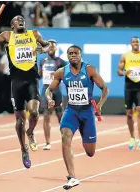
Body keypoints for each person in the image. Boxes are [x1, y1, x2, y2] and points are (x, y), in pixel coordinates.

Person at [0, 15, 50, 169]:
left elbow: (46, 46)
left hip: (31, 80)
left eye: (22, 19)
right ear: (12, 25)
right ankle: (23, 149)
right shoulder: (7, 36)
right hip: (16, 83)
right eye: (17, 20)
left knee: (34, 112)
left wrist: (43, 48)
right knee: (19, 121)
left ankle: (30, 132)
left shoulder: (34, 34)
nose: (20, 20)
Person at [46, 45, 109, 189]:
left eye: (76, 53)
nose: (73, 56)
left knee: (90, 152)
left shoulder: (89, 70)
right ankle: (72, 177)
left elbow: (105, 88)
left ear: (81, 55)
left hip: (87, 113)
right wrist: (49, 98)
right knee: (65, 137)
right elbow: (49, 90)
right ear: (67, 56)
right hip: (71, 111)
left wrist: (99, 105)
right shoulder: (61, 72)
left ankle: (84, 132)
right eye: (70, 54)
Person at [117, 37, 140, 150]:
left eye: (137, 42)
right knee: (129, 113)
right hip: (129, 85)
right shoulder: (125, 56)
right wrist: (124, 72)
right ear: (131, 44)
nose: (135, 44)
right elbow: (118, 71)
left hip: (139, 85)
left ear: (139, 44)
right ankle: (132, 137)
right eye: (133, 42)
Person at [39, 39, 67, 150]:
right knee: (46, 115)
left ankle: (65, 139)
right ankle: (47, 142)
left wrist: (56, 75)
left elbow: (66, 76)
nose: (51, 49)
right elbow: (39, 75)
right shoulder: (43, 61)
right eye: (49, 47)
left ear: (56, 49)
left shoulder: (60, 62)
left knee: (60, 116)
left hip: (56, 90)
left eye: (53, 47)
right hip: (46, 90)